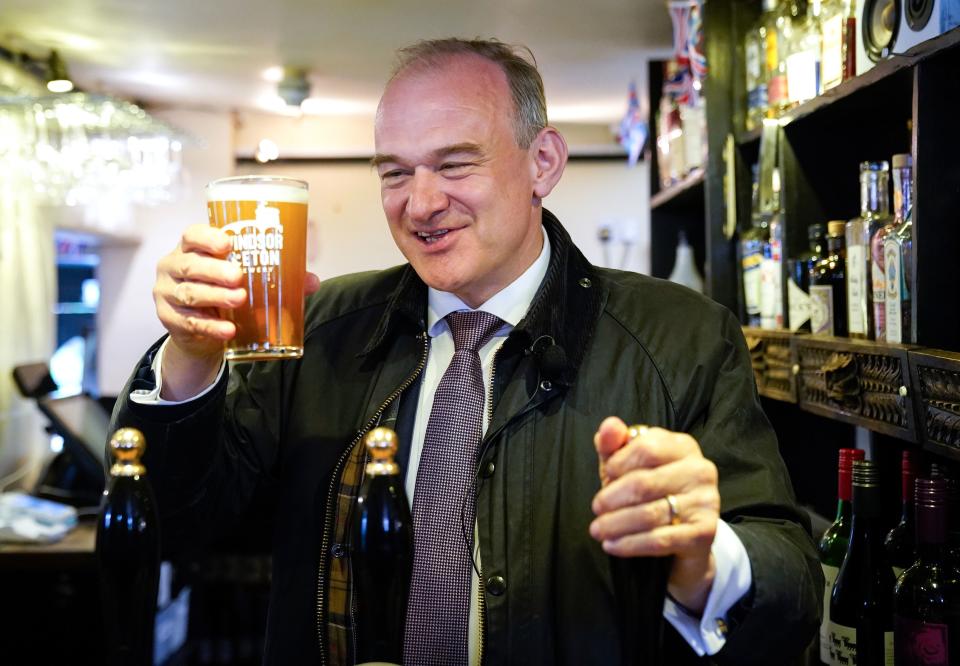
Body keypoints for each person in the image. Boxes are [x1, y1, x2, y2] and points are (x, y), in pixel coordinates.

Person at [112, 38, 821, 665]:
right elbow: (184, 525)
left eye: (454, 165)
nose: (420, 204)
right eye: (394, 173)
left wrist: (703, 559)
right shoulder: (321, 327)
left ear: (542, 162)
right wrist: (191, 361)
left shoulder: (680, 335)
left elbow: (792, 586)